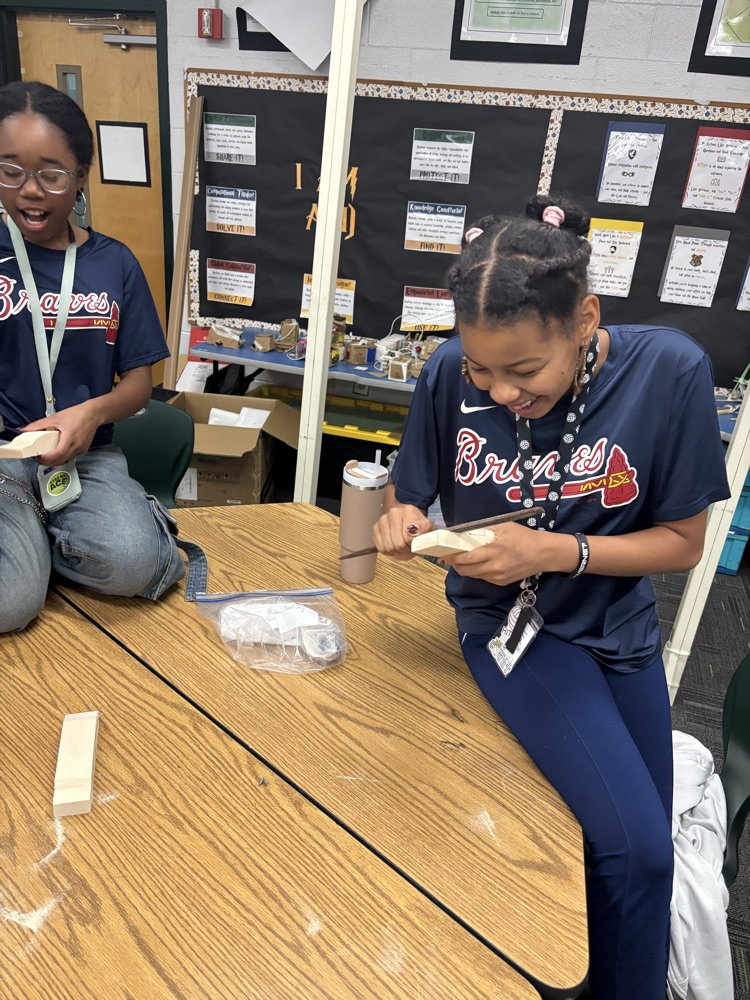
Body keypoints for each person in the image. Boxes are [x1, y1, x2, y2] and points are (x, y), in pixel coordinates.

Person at [374, 195, 731, 1000]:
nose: (500, 392)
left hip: (618, 625)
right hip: (506, 624)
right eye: (481, 370)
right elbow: (411, 488)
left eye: (524, 370)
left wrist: (554, 551)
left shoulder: (667, 372)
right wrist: (401, 516)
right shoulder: (443, 375)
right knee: (633, 843)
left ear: (585, 319)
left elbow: (681, 544)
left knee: (650, 841)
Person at [0, 80, 185, 633]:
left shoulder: (115, 264)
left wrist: (92, 414)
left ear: (81, 177)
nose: (30, 191)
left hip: (87, 458)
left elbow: (139, 383)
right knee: (11, 607)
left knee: (135, 565)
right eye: (11, 171)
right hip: (4, 461)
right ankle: (38, 544)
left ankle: (38, 542)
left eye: (51, 174)